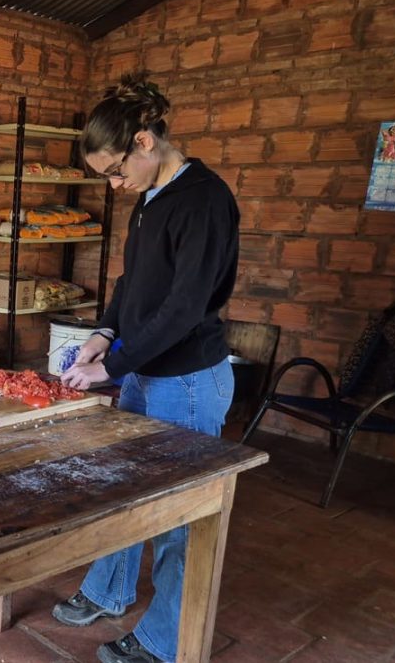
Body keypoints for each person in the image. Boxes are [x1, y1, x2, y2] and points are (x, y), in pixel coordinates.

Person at [55, 72, 240, 663]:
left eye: (114, 171)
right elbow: (133, 283)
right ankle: (109, 592)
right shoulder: (150, 198)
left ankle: (164, 641)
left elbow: (185, 309)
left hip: (185, 382)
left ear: (144, 141)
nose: (114, 185)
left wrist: (112, 368)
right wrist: (104, 334)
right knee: (123, 492)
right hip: (142, 370)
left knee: (178, 517)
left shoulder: (204, 201)